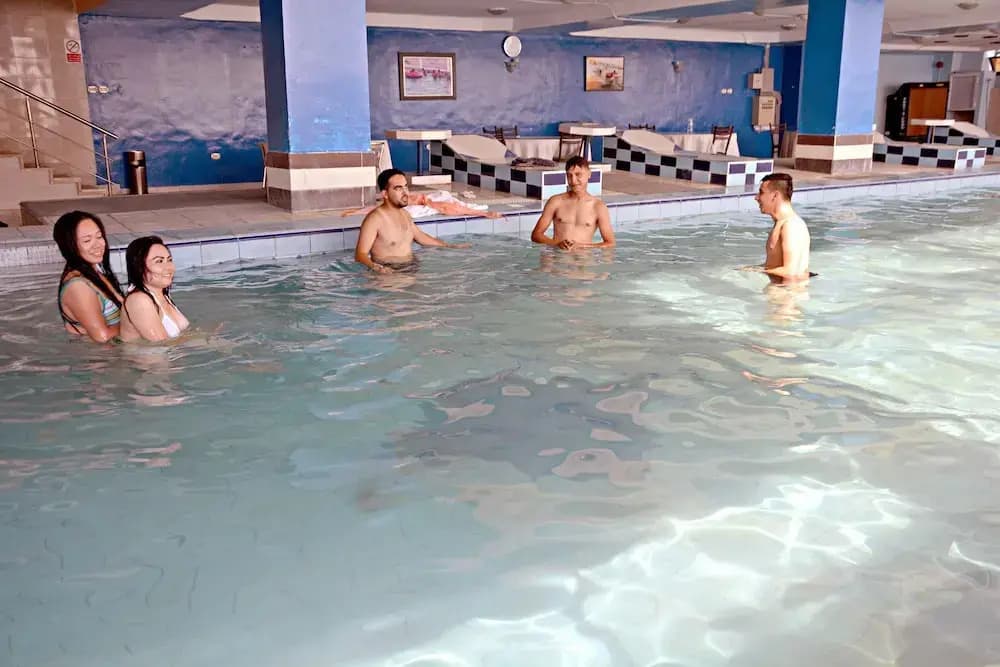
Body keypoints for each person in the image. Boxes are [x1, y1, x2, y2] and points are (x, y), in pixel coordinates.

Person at [355, 169, 470, 273]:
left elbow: (421, 237)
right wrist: (377, 268)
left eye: (406, 187)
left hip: (411, 267)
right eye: (398, 188)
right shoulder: (374, 220)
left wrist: (449, 246)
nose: (405, 193)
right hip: (389, 273)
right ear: (385, 194)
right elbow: (360, 255)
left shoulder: (405, 214)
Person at [53, 210, 124, 343]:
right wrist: (137, 321)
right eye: (87, 240)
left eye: (99, 236)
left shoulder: (95, 273)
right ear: (70, 246)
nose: (98, 244)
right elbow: (102, 337)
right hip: (104, 355)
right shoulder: (78, 287)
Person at [531, 156, 615, 250]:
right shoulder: (556, 202)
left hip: (583, 257)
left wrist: (581, 246)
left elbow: (610, 243)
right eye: (569, 175)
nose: (573, 181)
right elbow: (536, 235)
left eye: (578, 174)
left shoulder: (598, 207)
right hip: (558, 256)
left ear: (589, 174)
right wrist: (556, 244)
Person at [119, 236, 190, 342]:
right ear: (139, 266)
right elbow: (161, 344)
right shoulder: (139, 300)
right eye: (159, 261)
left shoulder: (162, 293)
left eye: (169, 260)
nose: (169, 267)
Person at [746, 173, 811, 282]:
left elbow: (791, 272)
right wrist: (751, 269)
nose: (756, 197)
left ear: (775, 195)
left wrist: (758, 271)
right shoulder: (782, 223)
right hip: (780, 290)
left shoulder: (791, 226)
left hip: (787, 291)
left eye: (761, 192)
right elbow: (775, 265)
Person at [341, 190, 502, 219]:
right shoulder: (415, 202)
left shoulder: (441, 203)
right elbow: (383, 207)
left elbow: (455, 209)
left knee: (450, 205)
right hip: (436, 201)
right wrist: (356, 211)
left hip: (440, 202)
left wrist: (484, 214)